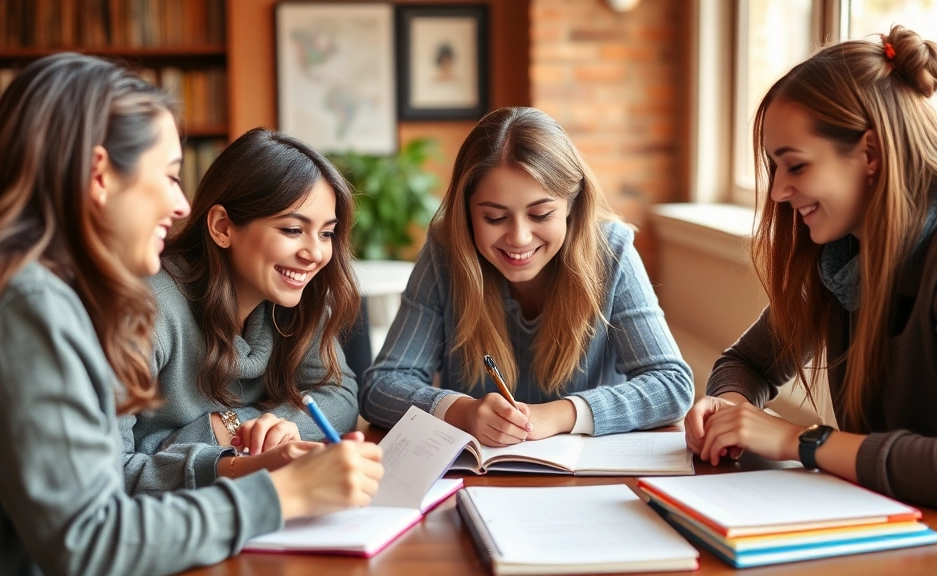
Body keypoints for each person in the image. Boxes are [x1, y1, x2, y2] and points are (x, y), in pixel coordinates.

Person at [0, 53, 383, 575]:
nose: (183, 206)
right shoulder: (36, 306)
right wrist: (278, 492)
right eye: (170, 176)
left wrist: (242, 453)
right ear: (99, 176)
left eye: (326, 232)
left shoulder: (51, 296)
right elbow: (89, 538)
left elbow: (98, 492)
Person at [684, 25, 937, 543]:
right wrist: (730, 406)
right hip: (892, 528)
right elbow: (746, 363)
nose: (777, 191)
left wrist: (801, 440)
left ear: (869, 153)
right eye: (774, 167)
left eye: (795, 165)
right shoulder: (842, 252)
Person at [360, 106, 694, 446]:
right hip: (478, 480)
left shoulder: (611, 251)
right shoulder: (446, 252)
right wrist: (462, 411)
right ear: (467, 213)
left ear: (571, 205)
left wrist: (561, 414)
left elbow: (671, 385)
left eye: (541, 214)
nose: (519, 237)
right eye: (494, 218)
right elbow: (381, 387)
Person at [120, 128, 362, 493]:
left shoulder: (297, 296)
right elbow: (110, 470)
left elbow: (339, 394)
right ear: (222, 228)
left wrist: (258, 425)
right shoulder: (145, 310)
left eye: (326, 233)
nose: (315, 254)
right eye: (293, 229)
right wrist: (228, 442)